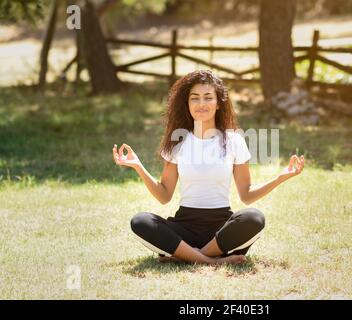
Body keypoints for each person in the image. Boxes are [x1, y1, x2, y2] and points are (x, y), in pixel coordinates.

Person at [112, 70, 305, 265]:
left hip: (221, 233)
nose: (201, 104)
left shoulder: (234, 141)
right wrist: (138, 166)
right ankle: (213, 261)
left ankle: (187, 256)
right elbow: (164, 195)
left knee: (254, 218)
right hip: (184, 227)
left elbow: (246, 195)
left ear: (218, 102)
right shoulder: (177, 141)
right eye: (194, 98)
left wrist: (280, 178)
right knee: (141, 221)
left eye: (208, 97)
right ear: (187, 104)